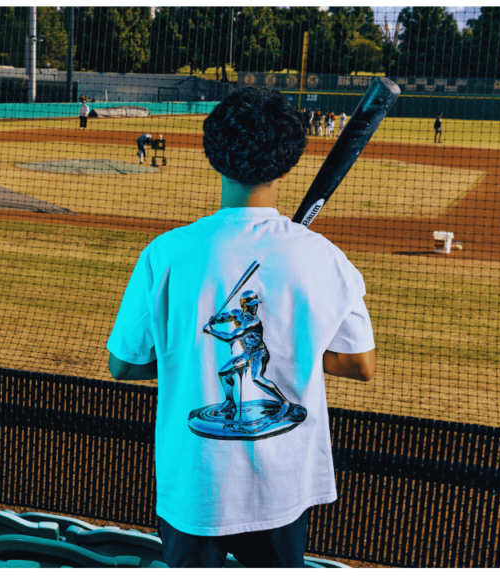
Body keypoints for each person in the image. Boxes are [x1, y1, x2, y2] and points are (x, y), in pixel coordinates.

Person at [106, 87, 377, 570]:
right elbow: (360, 364)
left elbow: (123, 365)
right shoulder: (325, 259)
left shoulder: (165, 253)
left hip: (195, 488)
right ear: (289, 163)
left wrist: (186, 363)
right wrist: (298, 346)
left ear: (215, 156)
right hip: (282, 487)